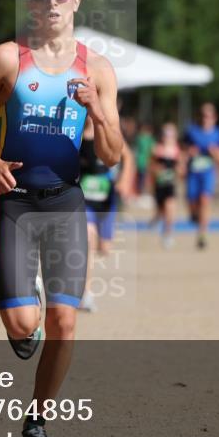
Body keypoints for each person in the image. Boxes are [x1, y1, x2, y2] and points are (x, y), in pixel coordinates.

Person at [0, 0, 122, 437]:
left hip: (66, 201)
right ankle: (28, 323)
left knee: (67, 322)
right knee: (24, 326)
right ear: (29, 1)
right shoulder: (6, 59)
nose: (51, 1)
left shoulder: (98, 69)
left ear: (76, 2)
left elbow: (112, 155)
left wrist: (97, 112)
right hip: (17, 204)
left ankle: (36, 424)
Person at [79, 118, 133, 311]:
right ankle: (86, 293)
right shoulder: (75, 131)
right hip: (84, 199)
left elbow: (128, 157)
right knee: (88, 240)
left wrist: (125, 180)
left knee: (105, 248)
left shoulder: (107, 130)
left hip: (106, 199)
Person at [183, 103, 219, 249]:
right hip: (193, 174)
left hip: (208, 173)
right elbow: (181, 150)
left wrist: (215, 152)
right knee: (192, 204)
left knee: (205, 200)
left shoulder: (218, 134)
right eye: (203, 116)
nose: (205, 119)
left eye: (208, 116)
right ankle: (194, 215)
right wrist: (189, 152)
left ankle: (201, 235)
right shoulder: (192, 132)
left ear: (214, 118)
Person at [150, 122, 182, 248]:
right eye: (165, 134)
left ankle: (168, 234)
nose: (168, 137)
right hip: (159, 185)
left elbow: (181, 169)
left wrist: (178, 170)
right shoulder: (156, 149)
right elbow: (151, 167)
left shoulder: (177, 151)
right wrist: (157, 170)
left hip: (170, 185)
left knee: (170, 208)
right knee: (161, 210)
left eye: (170, 134)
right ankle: (156, 219)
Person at [133, 122, 155, 196]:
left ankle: (143, 191)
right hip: (142, 161)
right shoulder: (142, 139)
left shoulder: (144, 139)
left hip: (145, 161)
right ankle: (141, 191)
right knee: (142, 177)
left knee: (144, 177)